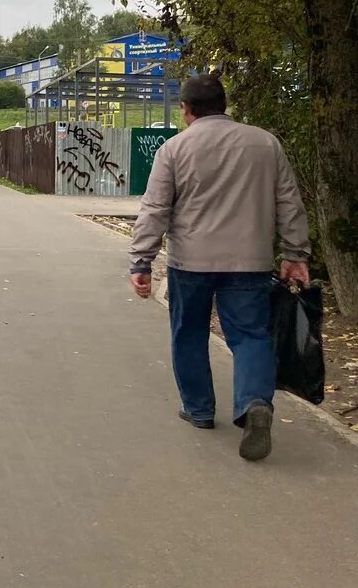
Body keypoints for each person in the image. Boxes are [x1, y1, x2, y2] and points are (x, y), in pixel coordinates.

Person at [129, 74, 310, 462]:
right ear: (224, 104)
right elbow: (289, 204)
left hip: (189, 263)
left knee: (188, 333)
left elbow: (155, 208)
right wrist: (295, 254)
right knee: (250, 336)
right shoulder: (265, 143)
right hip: (250, 262)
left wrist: (141, 260)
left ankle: (199, 410)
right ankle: (255, 403)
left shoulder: (175, 148)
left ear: (186, 108)